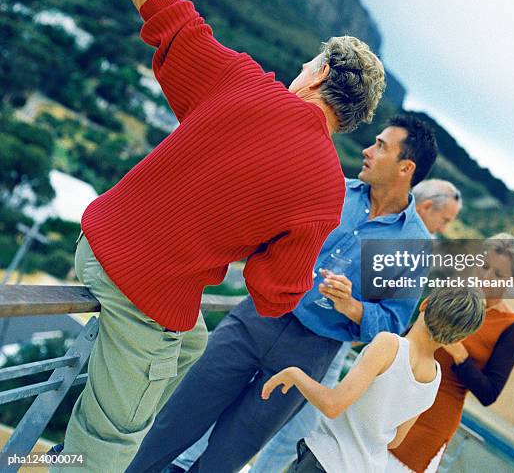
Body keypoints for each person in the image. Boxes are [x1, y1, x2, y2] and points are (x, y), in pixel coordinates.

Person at [54, 0, 386, 472]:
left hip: (97, 242)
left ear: (321, 73)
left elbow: (170, 16)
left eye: (308, 63)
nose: (299, 69)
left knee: (193, 347)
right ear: (351, 117)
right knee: (104, 450)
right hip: (142, 293)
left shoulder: (240, 81)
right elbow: (274, 292)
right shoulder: (325, 192)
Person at [127, 114, 438, 473]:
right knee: (173, 423)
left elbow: (393, 324)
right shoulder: (332, 190)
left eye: (381, 146)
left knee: (225, 457)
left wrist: (352, 306)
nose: (367, 151)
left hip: (310, 353)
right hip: (255, 319)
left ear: (406, 168)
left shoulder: (413, 245)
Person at [249, 178, 463, 473]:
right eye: (445, 219)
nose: (443, 228)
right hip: (296, 328)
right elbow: (394, 440)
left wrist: (353, 309)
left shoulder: (415, 254)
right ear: (427, 206)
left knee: (297, 428)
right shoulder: (431, 375)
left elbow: (391, 320)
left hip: (335, 348)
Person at [266, 287, 486, 473]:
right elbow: (395, 440)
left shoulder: (389, 345)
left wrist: (295, 374)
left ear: (424, 304)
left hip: (326, 461)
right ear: (461, 338)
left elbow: (332, 405)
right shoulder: (434, 378)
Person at [387, 233, 514, 473]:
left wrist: (460, 354)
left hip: (431, 423)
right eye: (484, 267)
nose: (486, 277)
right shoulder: (452, 293)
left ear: (513, 281)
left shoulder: (511, 327)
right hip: (395, 397)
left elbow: (489, 393)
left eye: (498, 274)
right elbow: (406, 338)